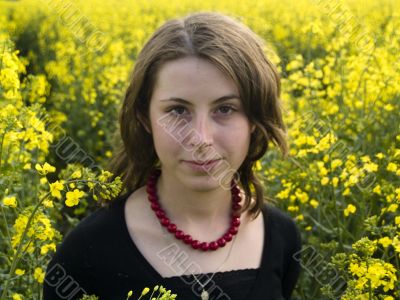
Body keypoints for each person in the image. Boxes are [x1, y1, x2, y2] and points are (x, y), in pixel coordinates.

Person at [43, 11, 301, 300]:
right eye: (177, 111)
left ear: (254, 118)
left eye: (225, 109)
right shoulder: (86, 254)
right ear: (144, 117)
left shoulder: (282, 238)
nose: (201, 139)